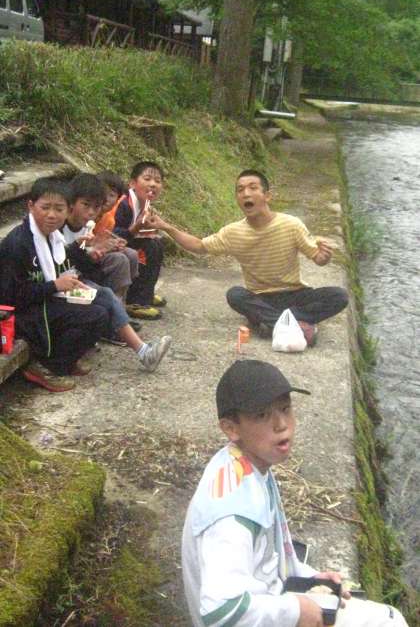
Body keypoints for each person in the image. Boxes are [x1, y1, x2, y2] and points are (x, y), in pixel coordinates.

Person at [182, 359, 410, 627]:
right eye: (262, 415)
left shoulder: (244, 466)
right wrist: (296, 610)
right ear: (231, 428)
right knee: (391, 621)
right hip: (258, 614)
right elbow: (221, 612)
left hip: (269, 600)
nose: (281, 424)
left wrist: (309, 579)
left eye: (285, 408)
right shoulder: (232, 515)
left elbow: (265, 560)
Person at [0, 177, 172, 392]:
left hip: (43, 301)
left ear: (67, 210)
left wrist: (83, 259)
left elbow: (73, 266)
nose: (52, 215)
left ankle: (134, 352)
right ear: (31, 206)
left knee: (100, 304)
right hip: (22, 314)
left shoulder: (53, 238)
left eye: (58, 209)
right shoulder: (19, 243)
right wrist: (55, 286)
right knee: (95, 314)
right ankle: (47, 366)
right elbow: (9, 297)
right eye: (45, 208)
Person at [147, 169, 348, 346]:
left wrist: (324, 256)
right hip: (260, 297)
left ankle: (272, 323)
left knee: (339, 296)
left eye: (253, 188)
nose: (246, 194)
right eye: (240, 190)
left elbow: (318, 258)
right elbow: (199, 246)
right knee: (235, 295)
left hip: (295, 294)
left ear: (267, 195)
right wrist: (166, 227)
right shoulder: (233, 232)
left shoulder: (291, 225)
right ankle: (295, 323)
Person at [63, 173, 138, 305]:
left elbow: (87, 251)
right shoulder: (64, 223)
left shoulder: (104, 220)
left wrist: (102, 248)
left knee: (130, 254)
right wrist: (93, 249)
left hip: (82, 265)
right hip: (69, 271)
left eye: (112, 195)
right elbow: (73, 253)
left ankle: (122, 304)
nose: (91, 212)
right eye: (86, 204)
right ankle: (116, 306)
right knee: (118, 263)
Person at [113, 161, 166, 321]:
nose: (153, 184)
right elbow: (113, 233)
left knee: (157, 242)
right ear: (132, 183)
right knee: (149, 247)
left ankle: (147, 293)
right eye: (147, 179)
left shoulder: (144, 203)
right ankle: (136, 301)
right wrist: (136, 229)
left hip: (125, 242)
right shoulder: (124, 204)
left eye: (157, 181)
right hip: (111, 247)